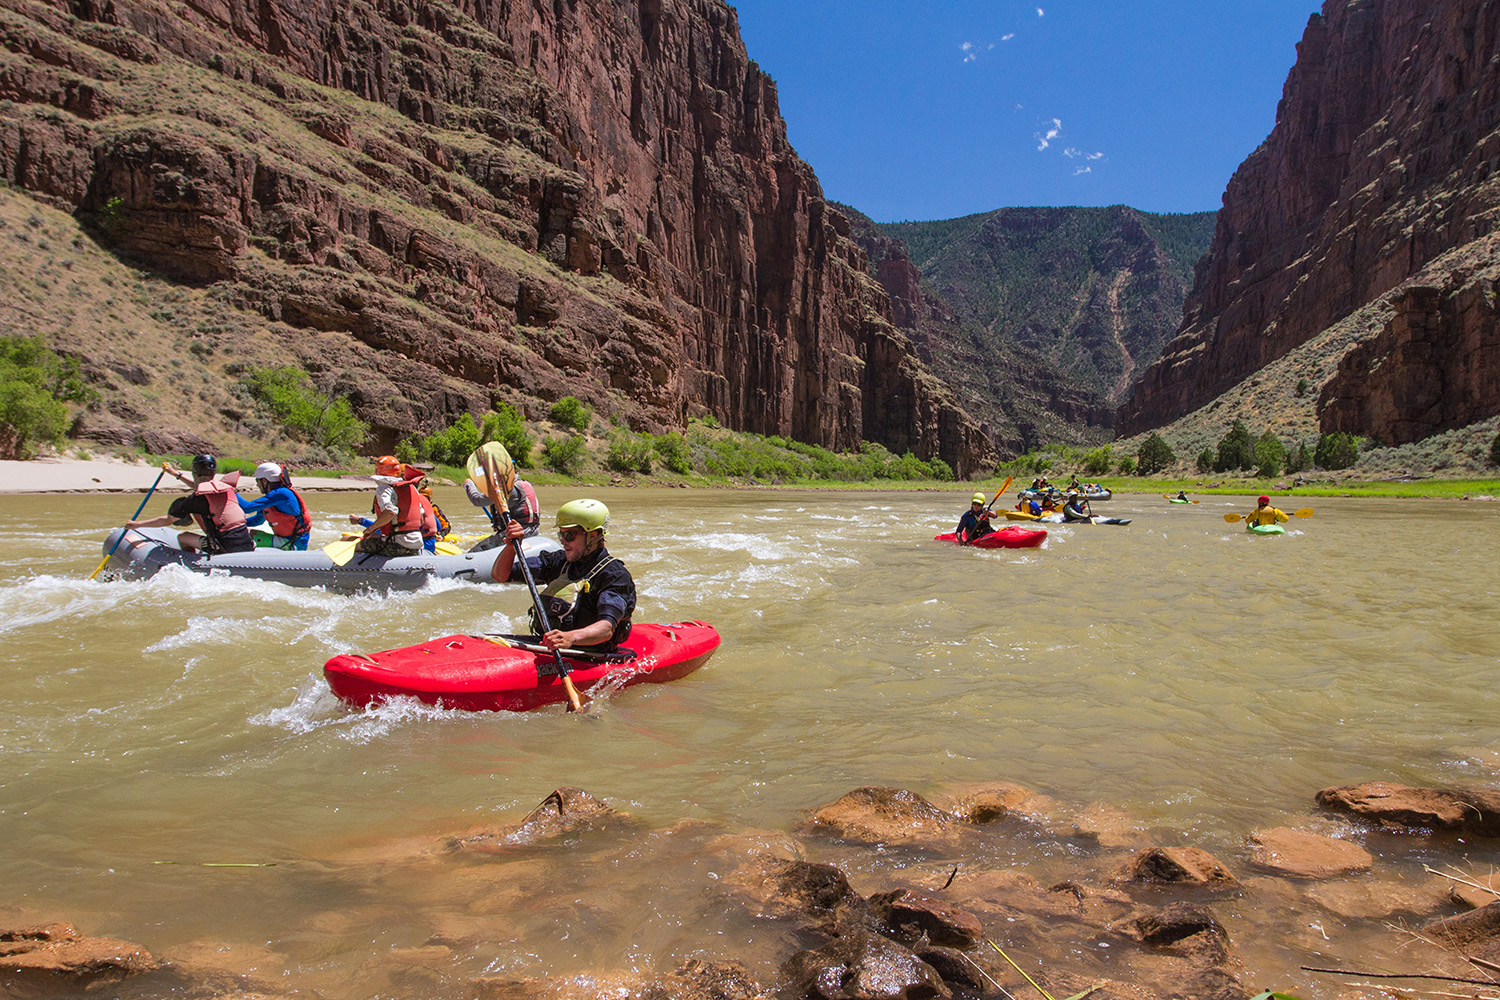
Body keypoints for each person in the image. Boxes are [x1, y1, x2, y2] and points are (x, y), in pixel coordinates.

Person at [490, 498, 635, 652]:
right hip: (549, 646)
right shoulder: (558, 561)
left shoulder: (615, 575)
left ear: (592, 536)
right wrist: (511, 547)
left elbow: (606, 629)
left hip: (591, 653)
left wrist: (570, 638)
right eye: (561, 535)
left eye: (570, 535)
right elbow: (500, 575)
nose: (564, 541)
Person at [125, 453, 255, 554]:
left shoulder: (195, 500)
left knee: (183, 537)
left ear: (194, 473)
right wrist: (176, 474)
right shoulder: (225, 489)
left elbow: (167, 520)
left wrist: (136, 525)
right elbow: (201, 488)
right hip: (246, 542)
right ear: (214, 473)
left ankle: (193, 564)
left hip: (224, 546)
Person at [348, 456, 429, 557]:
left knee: (351, 544)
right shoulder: (412, 489)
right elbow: (420, 518)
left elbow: (390, 512)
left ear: (377, 471)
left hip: (397, 545)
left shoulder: (384, 488)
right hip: (416, 546)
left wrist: (370, 529)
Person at [241, 462, 311, 550]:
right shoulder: (272, 498)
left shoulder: (281, 494)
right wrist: (239, 524)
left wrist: (231, 492)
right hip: (285, 540)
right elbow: (257, 521)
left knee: (251, 536)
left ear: (264, 481)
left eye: (257, 480)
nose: (257, 485)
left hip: (295, 544)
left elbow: (247, 508)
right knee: (247, 532)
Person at [465, 474, 540, 551]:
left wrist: (468, 484)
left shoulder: (507, 489)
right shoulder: (523, 484)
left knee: (474, 552)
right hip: (532, 531)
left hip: (517, 533)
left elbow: (477, 499)